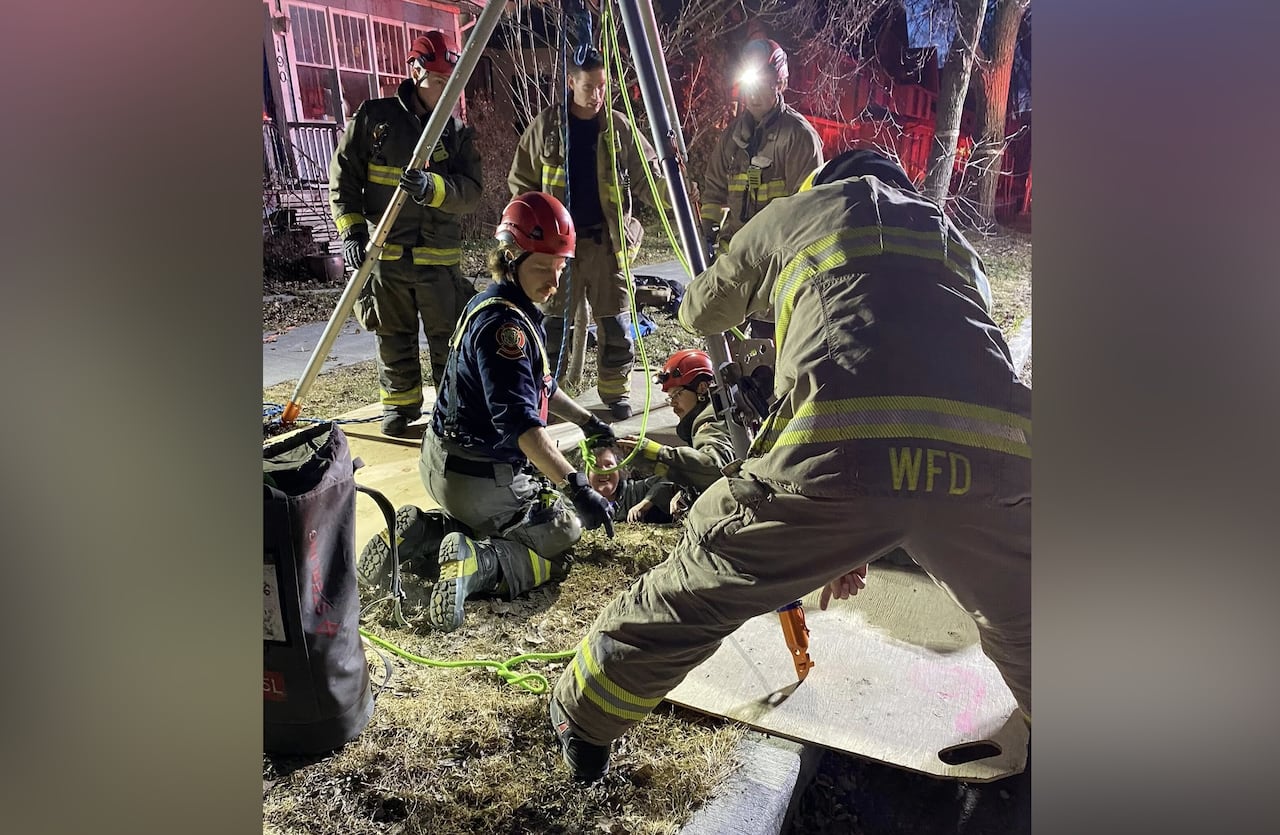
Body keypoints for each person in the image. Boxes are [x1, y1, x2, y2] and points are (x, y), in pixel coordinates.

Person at [546, 150, 1031, 783]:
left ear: (822, 184)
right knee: (1028, 613)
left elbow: (702, 309)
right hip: (994, 452)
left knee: (711, 574)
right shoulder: (950, 237)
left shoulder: (794, 213)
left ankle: (583, 718)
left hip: (837, 445)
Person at [419, 192, 619, 632]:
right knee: (561, 533)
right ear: (510, 258)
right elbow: (523, 429)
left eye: (559, 269)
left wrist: (590, 423)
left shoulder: (491, 303)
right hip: (477, 479)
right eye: (542, 269)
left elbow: (540, 388)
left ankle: (420, 537)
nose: (553, 282)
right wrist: (577, 487)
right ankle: (480, 563)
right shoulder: (506, 330)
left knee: (517, 514)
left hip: (442, 463)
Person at [329, 31, 483, 438]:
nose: (443, 93)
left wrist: (434, 189)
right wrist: (352, 233)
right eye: (436, 83)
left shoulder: (456, 132)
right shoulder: (374, 121)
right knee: (392, 334)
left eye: (450, 84)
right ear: (414, 73)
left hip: (438, 262)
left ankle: (452, 409)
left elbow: (472, 193)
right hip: (387, 256)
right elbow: (343, 182)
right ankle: (399, 407)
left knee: (448, 339)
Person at [508, 48, 664, 420]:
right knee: (554, 329)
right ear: (571, 84)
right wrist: (523, 235)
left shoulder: (619, 128)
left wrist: (678, 199)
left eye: (602, 87)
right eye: (589, 86)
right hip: (557, 251)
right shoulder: (546, 128)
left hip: (606, 244)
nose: (596, 95)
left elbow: (650, 179)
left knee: (616, 324)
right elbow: (521, 184)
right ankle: (548, 397)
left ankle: (615, 393)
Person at [698, 38, 824, 341]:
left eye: (762, 84)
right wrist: (707, 232)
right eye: (748, 85)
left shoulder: (799, 137)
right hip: (735, 262)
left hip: (776, 269)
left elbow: (810, 207)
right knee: (723, 348)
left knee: (772, 353)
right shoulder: (732, 137)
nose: (753, 94)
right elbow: (715, 189)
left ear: (779, 83)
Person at [615, 349, 735, 517]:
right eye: (670, 397)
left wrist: (656, 454)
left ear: (702, 388)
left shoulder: (710, 422)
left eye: (677, 394)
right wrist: (686, 493)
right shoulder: (721, 416)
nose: (673, 404)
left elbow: (716, 469)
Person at [584, 444, 676, 524]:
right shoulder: (582, 506)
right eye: (595, 466)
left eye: (609, 465)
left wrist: (645, 503)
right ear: (587, 474)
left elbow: (670, 478)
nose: (603, 471)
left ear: (619, 469)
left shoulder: (634, 491)